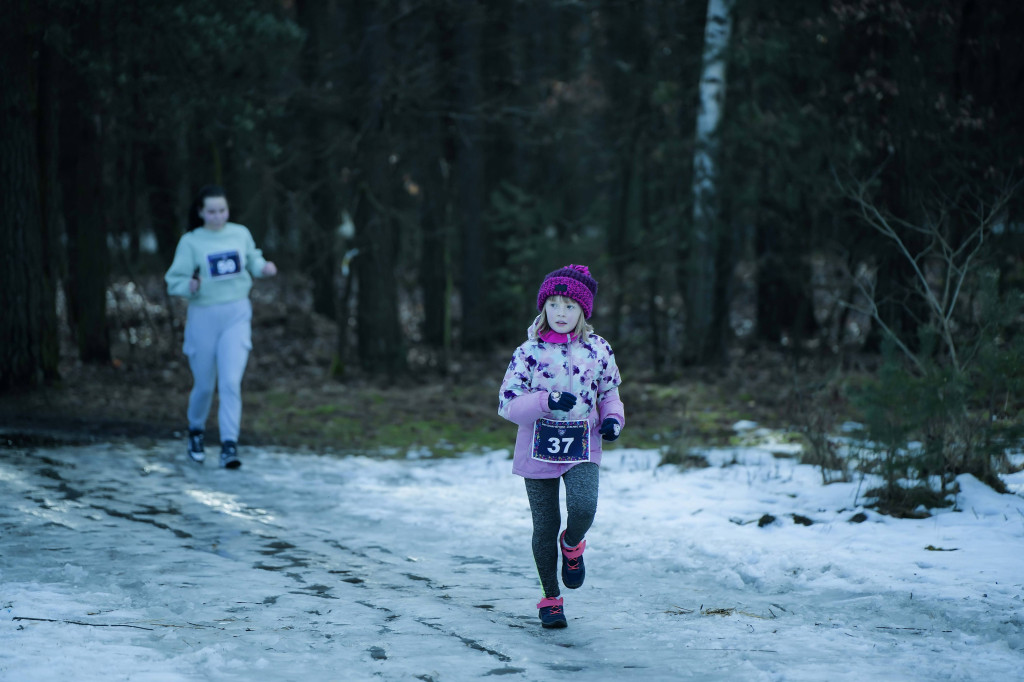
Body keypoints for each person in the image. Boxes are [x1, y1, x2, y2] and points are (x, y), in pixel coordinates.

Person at [498, 264, 625, 628]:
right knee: (545, 523)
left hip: (582, 444)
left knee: (584, 506)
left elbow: (609, 394)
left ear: (583, 310)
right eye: (553, 304)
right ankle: (550, 598)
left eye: (569, 305)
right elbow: (507, 403)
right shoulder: (528, 352)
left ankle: (572, 546)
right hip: (538, 447)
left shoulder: (599, 349)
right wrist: (545, 401)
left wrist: (613, 419)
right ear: (543, 308)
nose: (561, 313)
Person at [164, 186, 277, 469]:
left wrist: (263, 268)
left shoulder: (240, 233)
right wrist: (187, 286)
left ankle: (229, 445)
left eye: (222, 210)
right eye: (211, 211)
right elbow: (173, 280)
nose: (218, 216)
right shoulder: (191, 242)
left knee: (230, 382)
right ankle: (196, 433)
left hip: (236, 313)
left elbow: (253, 259)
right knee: (204, 384)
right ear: (201, 212)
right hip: (203, 315)